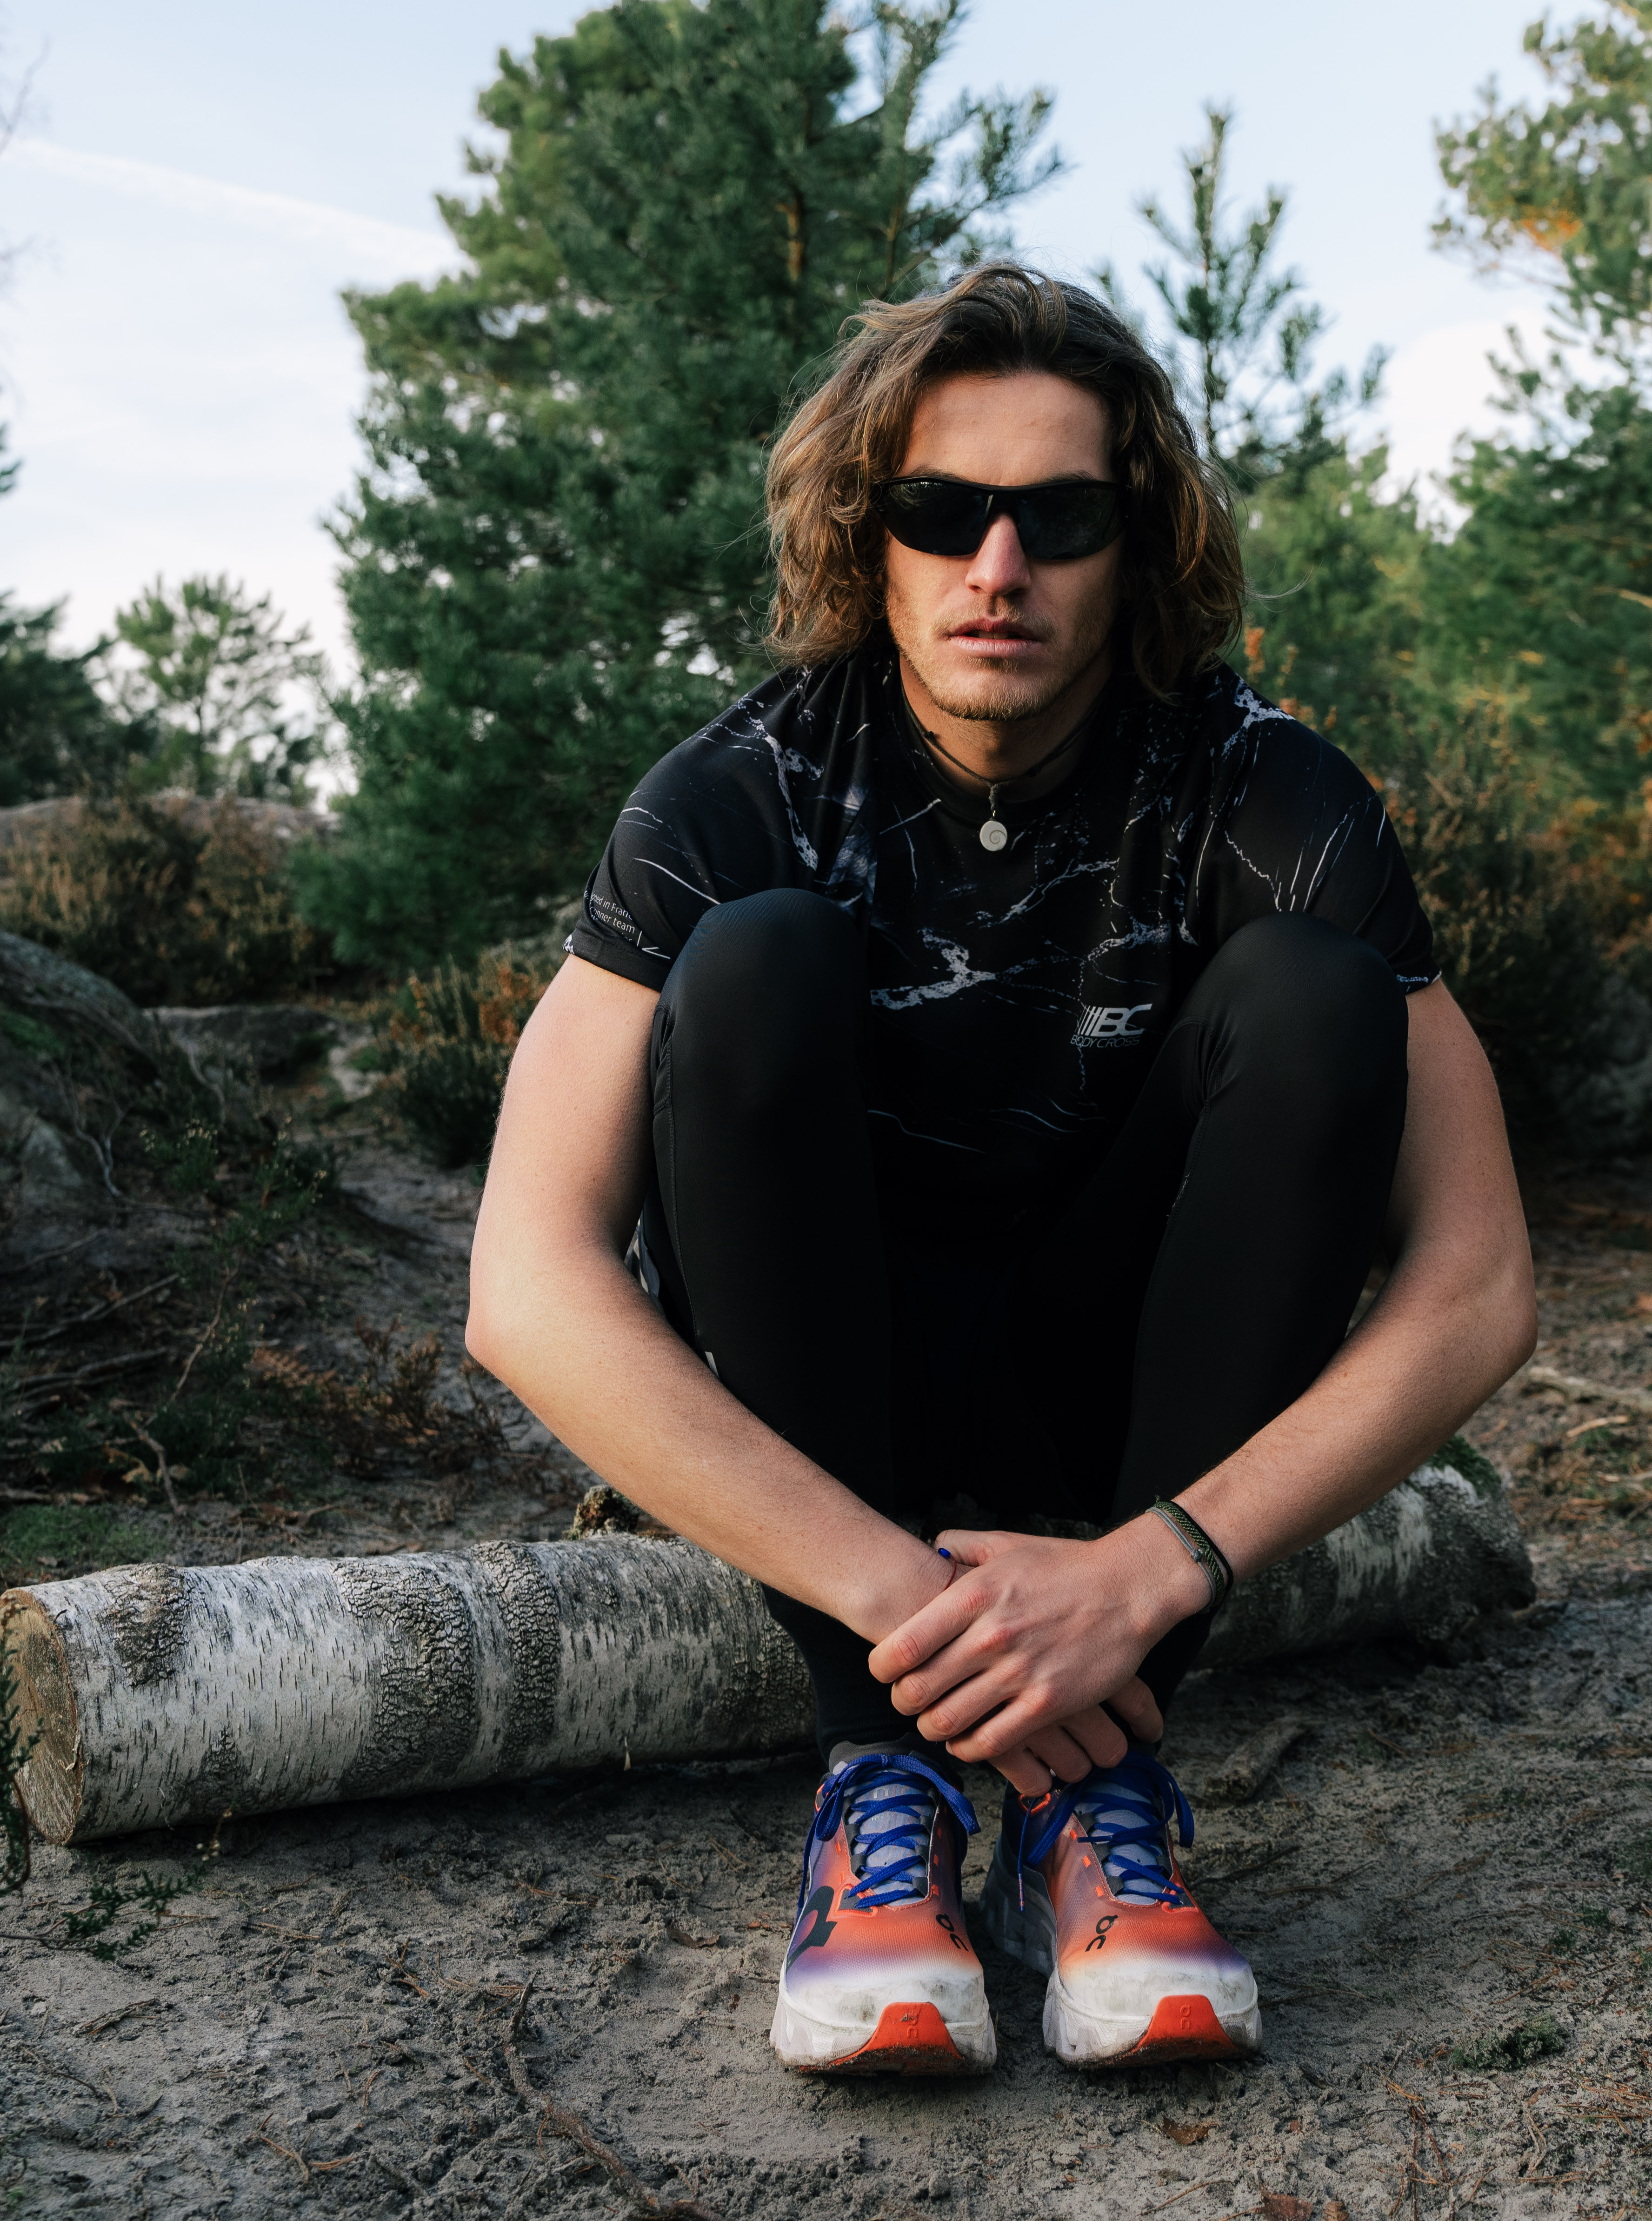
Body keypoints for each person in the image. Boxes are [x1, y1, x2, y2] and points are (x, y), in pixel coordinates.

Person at [466, 265, 1537, 2080]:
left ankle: (1095, 1795)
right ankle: (880, 1777)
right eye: (939, 508)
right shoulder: (731, 792)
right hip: (829, 1405)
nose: (997, 563)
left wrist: (1152, 1568)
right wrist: (906, 1611)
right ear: (865, 535)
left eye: (1061, 516)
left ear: (1141, 545)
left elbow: (1480, 1281)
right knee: (755, 959)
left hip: (1118, 1432)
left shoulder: (1268, 792)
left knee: (1316, 992)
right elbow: (525, 1286)